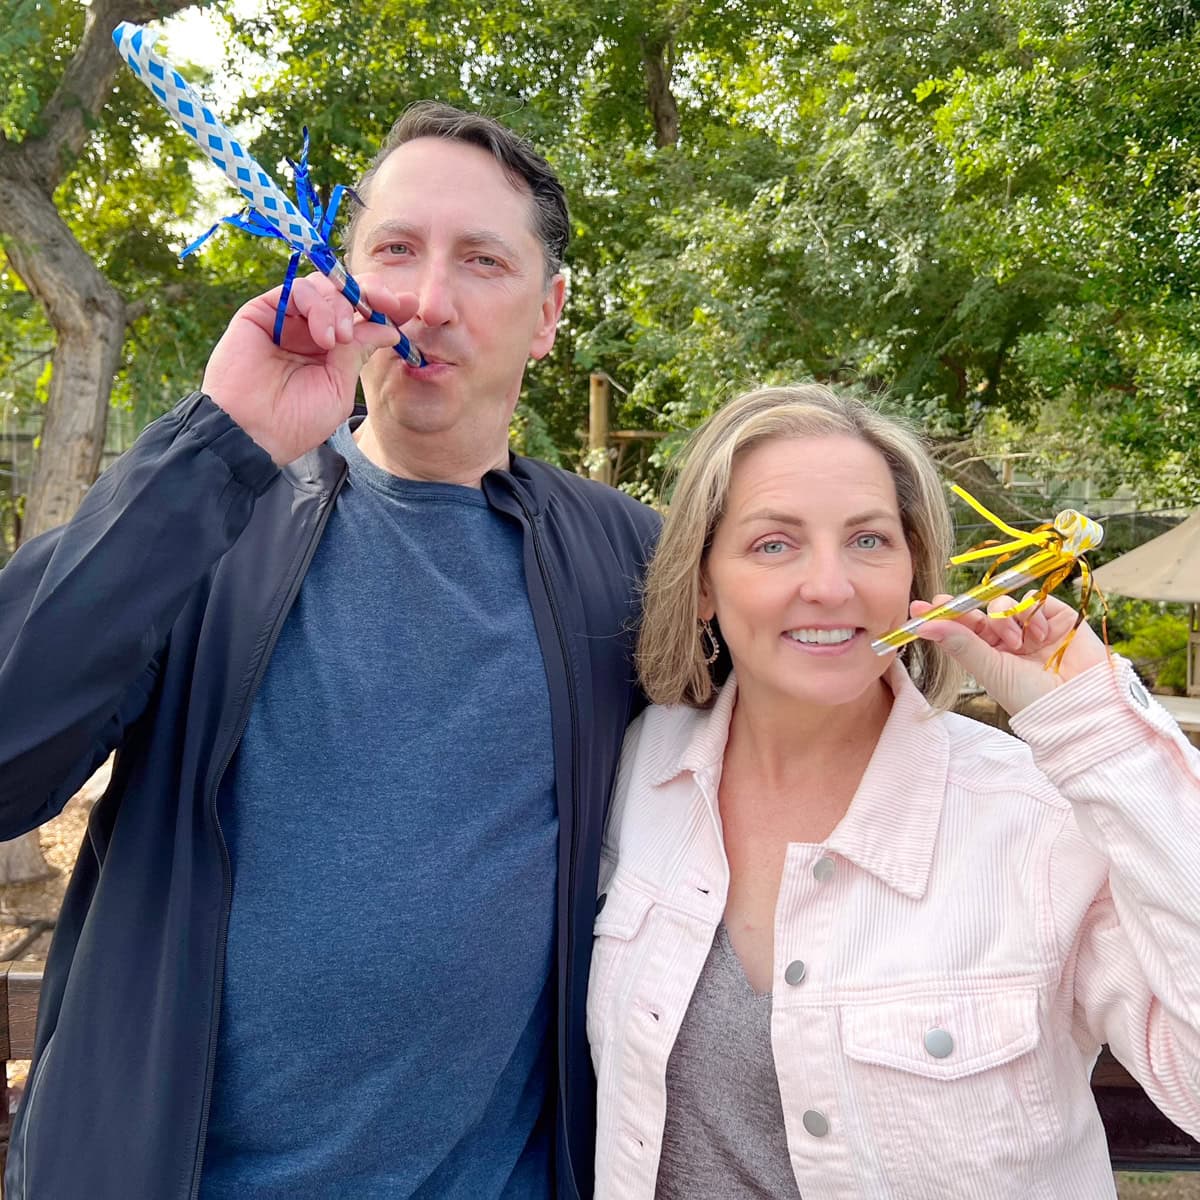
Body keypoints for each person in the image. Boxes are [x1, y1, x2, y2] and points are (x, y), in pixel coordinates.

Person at [0, 102, 659, 1200]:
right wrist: (220, 443)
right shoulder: (212, 518)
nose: (429, 301)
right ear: (342, 275)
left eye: (482, 261)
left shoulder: (627, 563)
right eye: (396, 249)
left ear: (547, 316)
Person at [588, 383, 1200, 1199]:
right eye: (774, 545)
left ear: (915, 568)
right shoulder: (635, 774)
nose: (832, 586)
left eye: (869, 541)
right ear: (702, 583)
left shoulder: (1036, 817)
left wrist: (1095, 723)